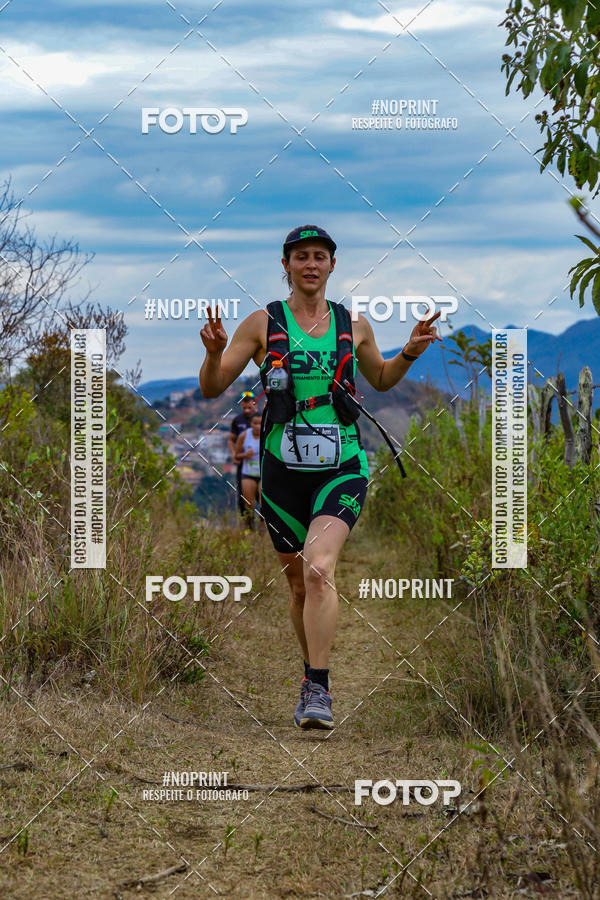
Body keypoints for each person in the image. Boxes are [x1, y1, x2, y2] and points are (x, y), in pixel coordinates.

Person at [199, 224, 440, 730]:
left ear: (332, 265)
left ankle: (318, 689)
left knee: (318, 569)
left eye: (320, 256)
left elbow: (381, 378)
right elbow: (213, 387)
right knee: (297, 586)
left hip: (343, 465)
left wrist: (410, 351)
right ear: (286, 265)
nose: (311, 264)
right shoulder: (262, 323)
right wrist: (213, 352)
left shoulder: (353, 324)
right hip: (281, 473)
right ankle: (311, 676)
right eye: (301, 256)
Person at [227, 391, 257, 518]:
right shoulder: (238, 420)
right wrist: (235, 454)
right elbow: (231, 440)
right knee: (243, 496)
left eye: (249, 407)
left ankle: (264, 523)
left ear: (254, 404)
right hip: (243, 463)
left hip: (259, 463)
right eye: (244, 407)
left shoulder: (260, 418)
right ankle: (247, 523)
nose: (247, 410)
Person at [234, 412, 262, 528]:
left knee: (264, 502)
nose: (258, 426)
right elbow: (236, 455)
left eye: (260, 423)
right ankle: (249, 528)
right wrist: (245, 455)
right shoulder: (244, 436)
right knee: (249, 503)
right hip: (248, 473)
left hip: (263, 474)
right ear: (251, 423)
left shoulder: (267, 434)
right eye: (255, 423)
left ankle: (262, 527)